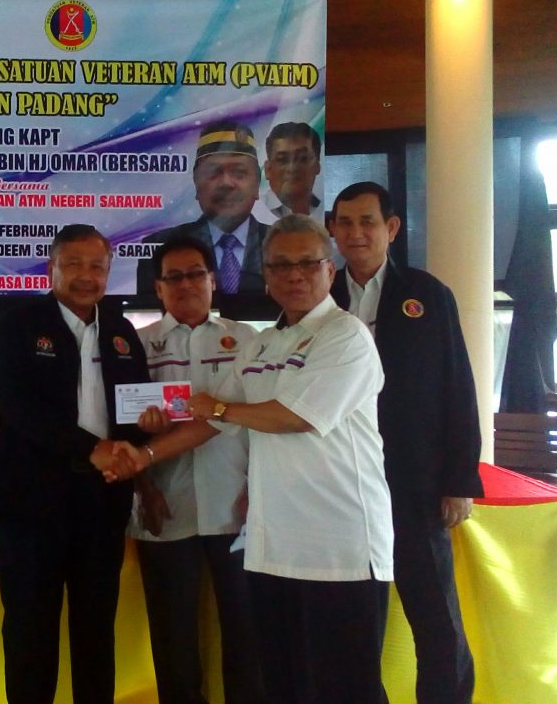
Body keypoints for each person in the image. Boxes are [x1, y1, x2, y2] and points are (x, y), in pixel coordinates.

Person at [120, 214, 394, 703]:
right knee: (283, 685)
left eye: (307, 263)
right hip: (275, 549)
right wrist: (143, 457)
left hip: (339, 550)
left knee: (346, 688)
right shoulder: (264, 343)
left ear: (329, 270)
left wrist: (220, 408)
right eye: (281, 265)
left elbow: (295, 416)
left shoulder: (345, 335)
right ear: (265, 276)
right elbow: (210, 421)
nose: (294, 275)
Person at [330, 181, 482, 704]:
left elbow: (458, 387)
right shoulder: (319, 296)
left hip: (416, 483)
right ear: (332, 230)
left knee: (436, 619)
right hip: (342, 483)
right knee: (354, 624)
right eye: (345, 223)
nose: (356, 233)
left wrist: (460, 479)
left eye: (367, 222)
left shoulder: (426, 294)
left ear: (391, 228)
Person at [0, 224, 150, 704]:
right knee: (30, 628)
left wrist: (143, 432)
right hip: (31, 507)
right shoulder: (18, 325)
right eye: (74, 264)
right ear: (51, 268)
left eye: (97, 266)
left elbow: (132, 408)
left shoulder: (121, 332)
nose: (86, 276)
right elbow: (19, 408)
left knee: (96, 628)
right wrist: (90, 448)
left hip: (103, 501)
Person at [128, 235, 263, 703]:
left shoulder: (247, 340)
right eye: (174, 277)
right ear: (158, 288)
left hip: (238, 505)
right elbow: (122, 427)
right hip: (166, 503)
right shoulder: (138, 344)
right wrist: (143, 488)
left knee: (247, 631)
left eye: (195, 274)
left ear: (213, 280)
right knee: (174, 638)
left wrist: (258, 490)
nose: (185, 285)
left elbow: (262, 422)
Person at [137, 120, 267, 296]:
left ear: (257, 185)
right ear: (196, 184)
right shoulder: (159, 246)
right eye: (213, 172)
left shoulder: (284, 244)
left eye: (239, 173)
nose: (226, 183)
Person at [252, 122, 323, 224]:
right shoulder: (252, 212)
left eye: (303, 158)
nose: (292, 168)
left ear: (317, 166)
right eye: (282, 160)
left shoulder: (325, 213)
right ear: (268, 169)